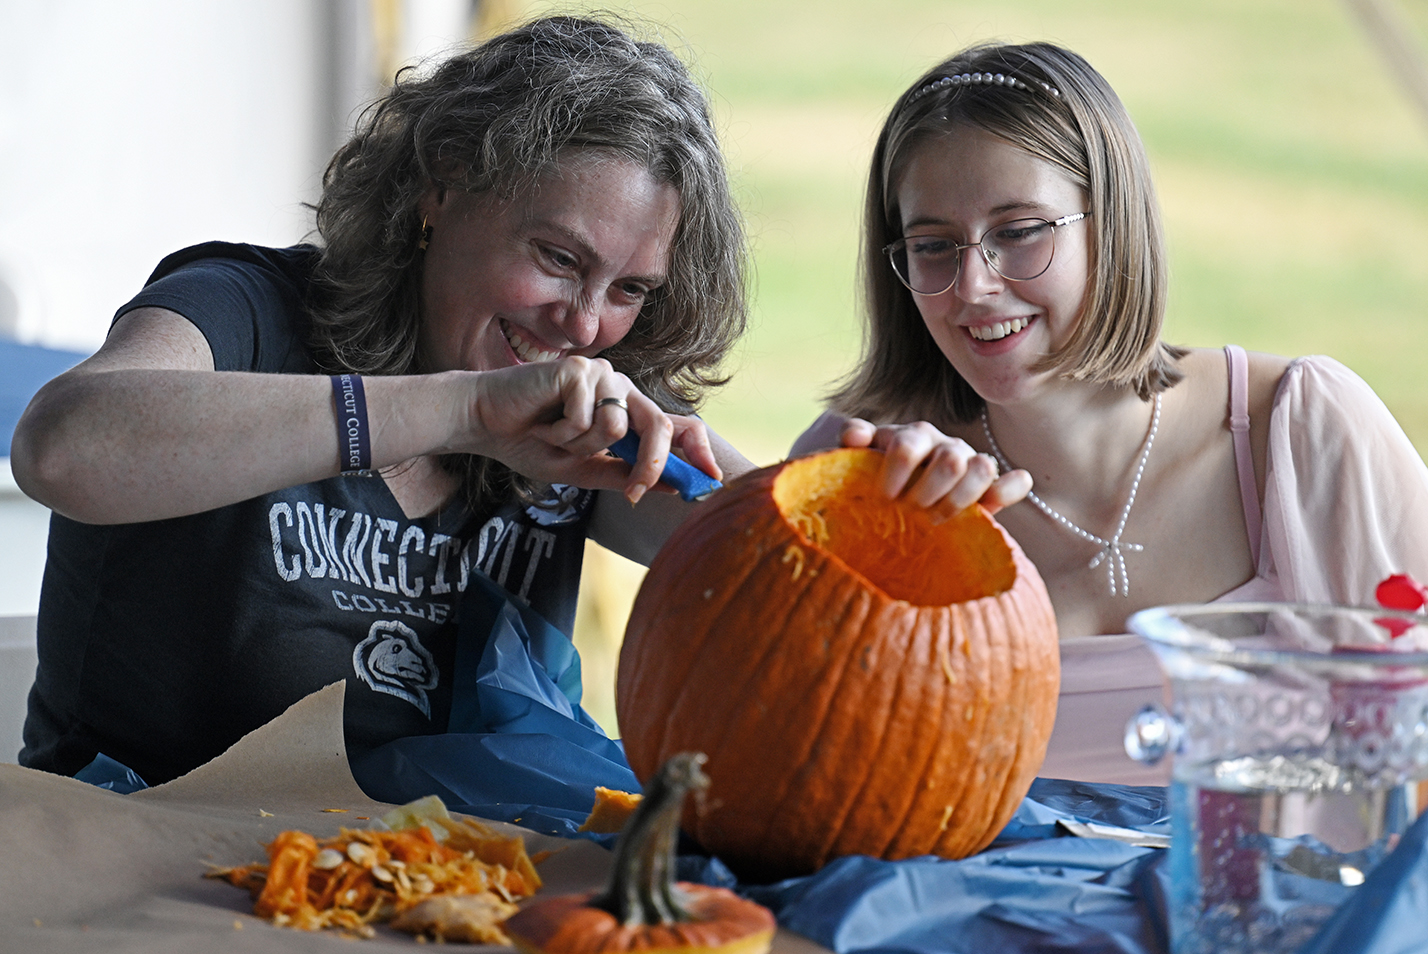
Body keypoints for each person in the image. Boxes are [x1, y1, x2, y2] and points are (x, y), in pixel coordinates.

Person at [11, 16, 1018, 792]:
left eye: (630, 290)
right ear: (442, 187)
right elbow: (61, 449)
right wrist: (461, 410)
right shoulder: (242, 307)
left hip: (442, 887)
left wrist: (831, 498)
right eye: (557, 259)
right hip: (141, 864)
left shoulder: (583, 408)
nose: (584, 324)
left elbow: (777, 577)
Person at [793, 41, 1428, 784]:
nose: (973, 285)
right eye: (933, 245)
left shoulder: (1301, 430)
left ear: (1113, 224)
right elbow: (786, 757)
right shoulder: (865, 470)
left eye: (1020, 231)